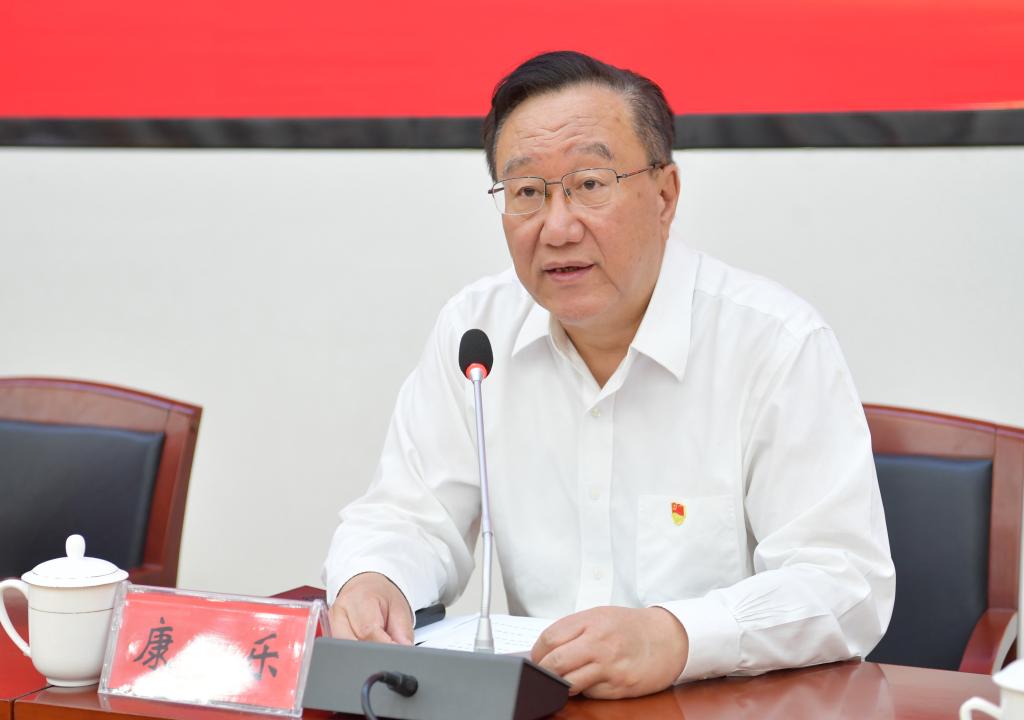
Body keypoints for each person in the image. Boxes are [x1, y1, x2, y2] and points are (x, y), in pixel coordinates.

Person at [323, 50, 894, 699]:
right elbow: (410, 515)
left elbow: (844, 582)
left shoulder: (774, 344)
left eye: (590, 184)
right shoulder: (475, 332)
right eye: (527, 192)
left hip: (717, 704)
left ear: (665, 196)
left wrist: (677, 637)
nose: (558, 227)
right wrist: (376, 578)